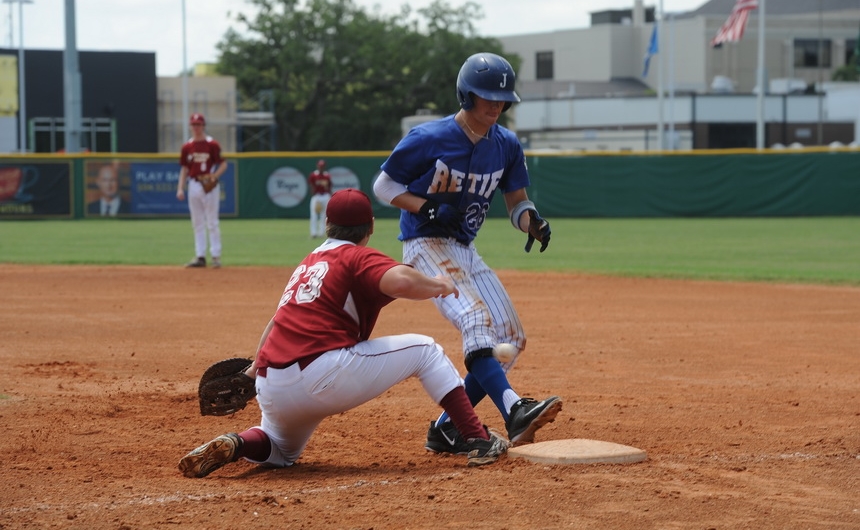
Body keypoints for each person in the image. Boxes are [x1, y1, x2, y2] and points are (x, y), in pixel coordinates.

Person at [178, 189, 508, 478]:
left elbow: (277, 321)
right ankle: (476, 438)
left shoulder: (308, 262)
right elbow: (402, 281)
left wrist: (253, 370)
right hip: (322, 374)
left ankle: (237, 443)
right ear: (371, 227)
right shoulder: (357, 255)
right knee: (426, 351)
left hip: (271, 383)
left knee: (281, 451)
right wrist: (440, 284)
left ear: (327, 225)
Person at [372, 52, 561, 455]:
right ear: (466, 96)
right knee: (475, 317)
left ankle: (445, 428)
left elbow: (517, 204)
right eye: (486, 96)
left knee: (511, 336)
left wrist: (533, 222)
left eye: (502, 98)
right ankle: (514, 409)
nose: (495, 105)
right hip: (424, 244)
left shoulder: (507, 145)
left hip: (465, 249)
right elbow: (384, 186)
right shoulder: (428, 138)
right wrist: (424, 206)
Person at [176, 113, 228, 268]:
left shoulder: (212, 144)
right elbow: (184, 169)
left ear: (203, 126)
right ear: (190, 126)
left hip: (209, 186)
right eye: (193, 124)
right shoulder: (187, 147)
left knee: (212, 222)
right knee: (197, 222)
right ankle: (200, 256)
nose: (196, 127)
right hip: (193, 184)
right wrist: (180, 188)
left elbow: (223, 164)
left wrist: (214, 176)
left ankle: (216, 256)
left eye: (198, 124)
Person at [308, 159, 332, 238]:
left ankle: (321, 233)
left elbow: (329, 187)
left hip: (325, 195)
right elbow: (311, 185)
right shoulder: (314, 175)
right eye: (320, 166)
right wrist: (314, 195)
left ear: (324, 167)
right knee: (314, 215)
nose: (321, 167)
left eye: (322, 166)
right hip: (317, 196)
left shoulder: (327, 175)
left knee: (323, 215)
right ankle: (314, 233)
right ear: (317, 166)